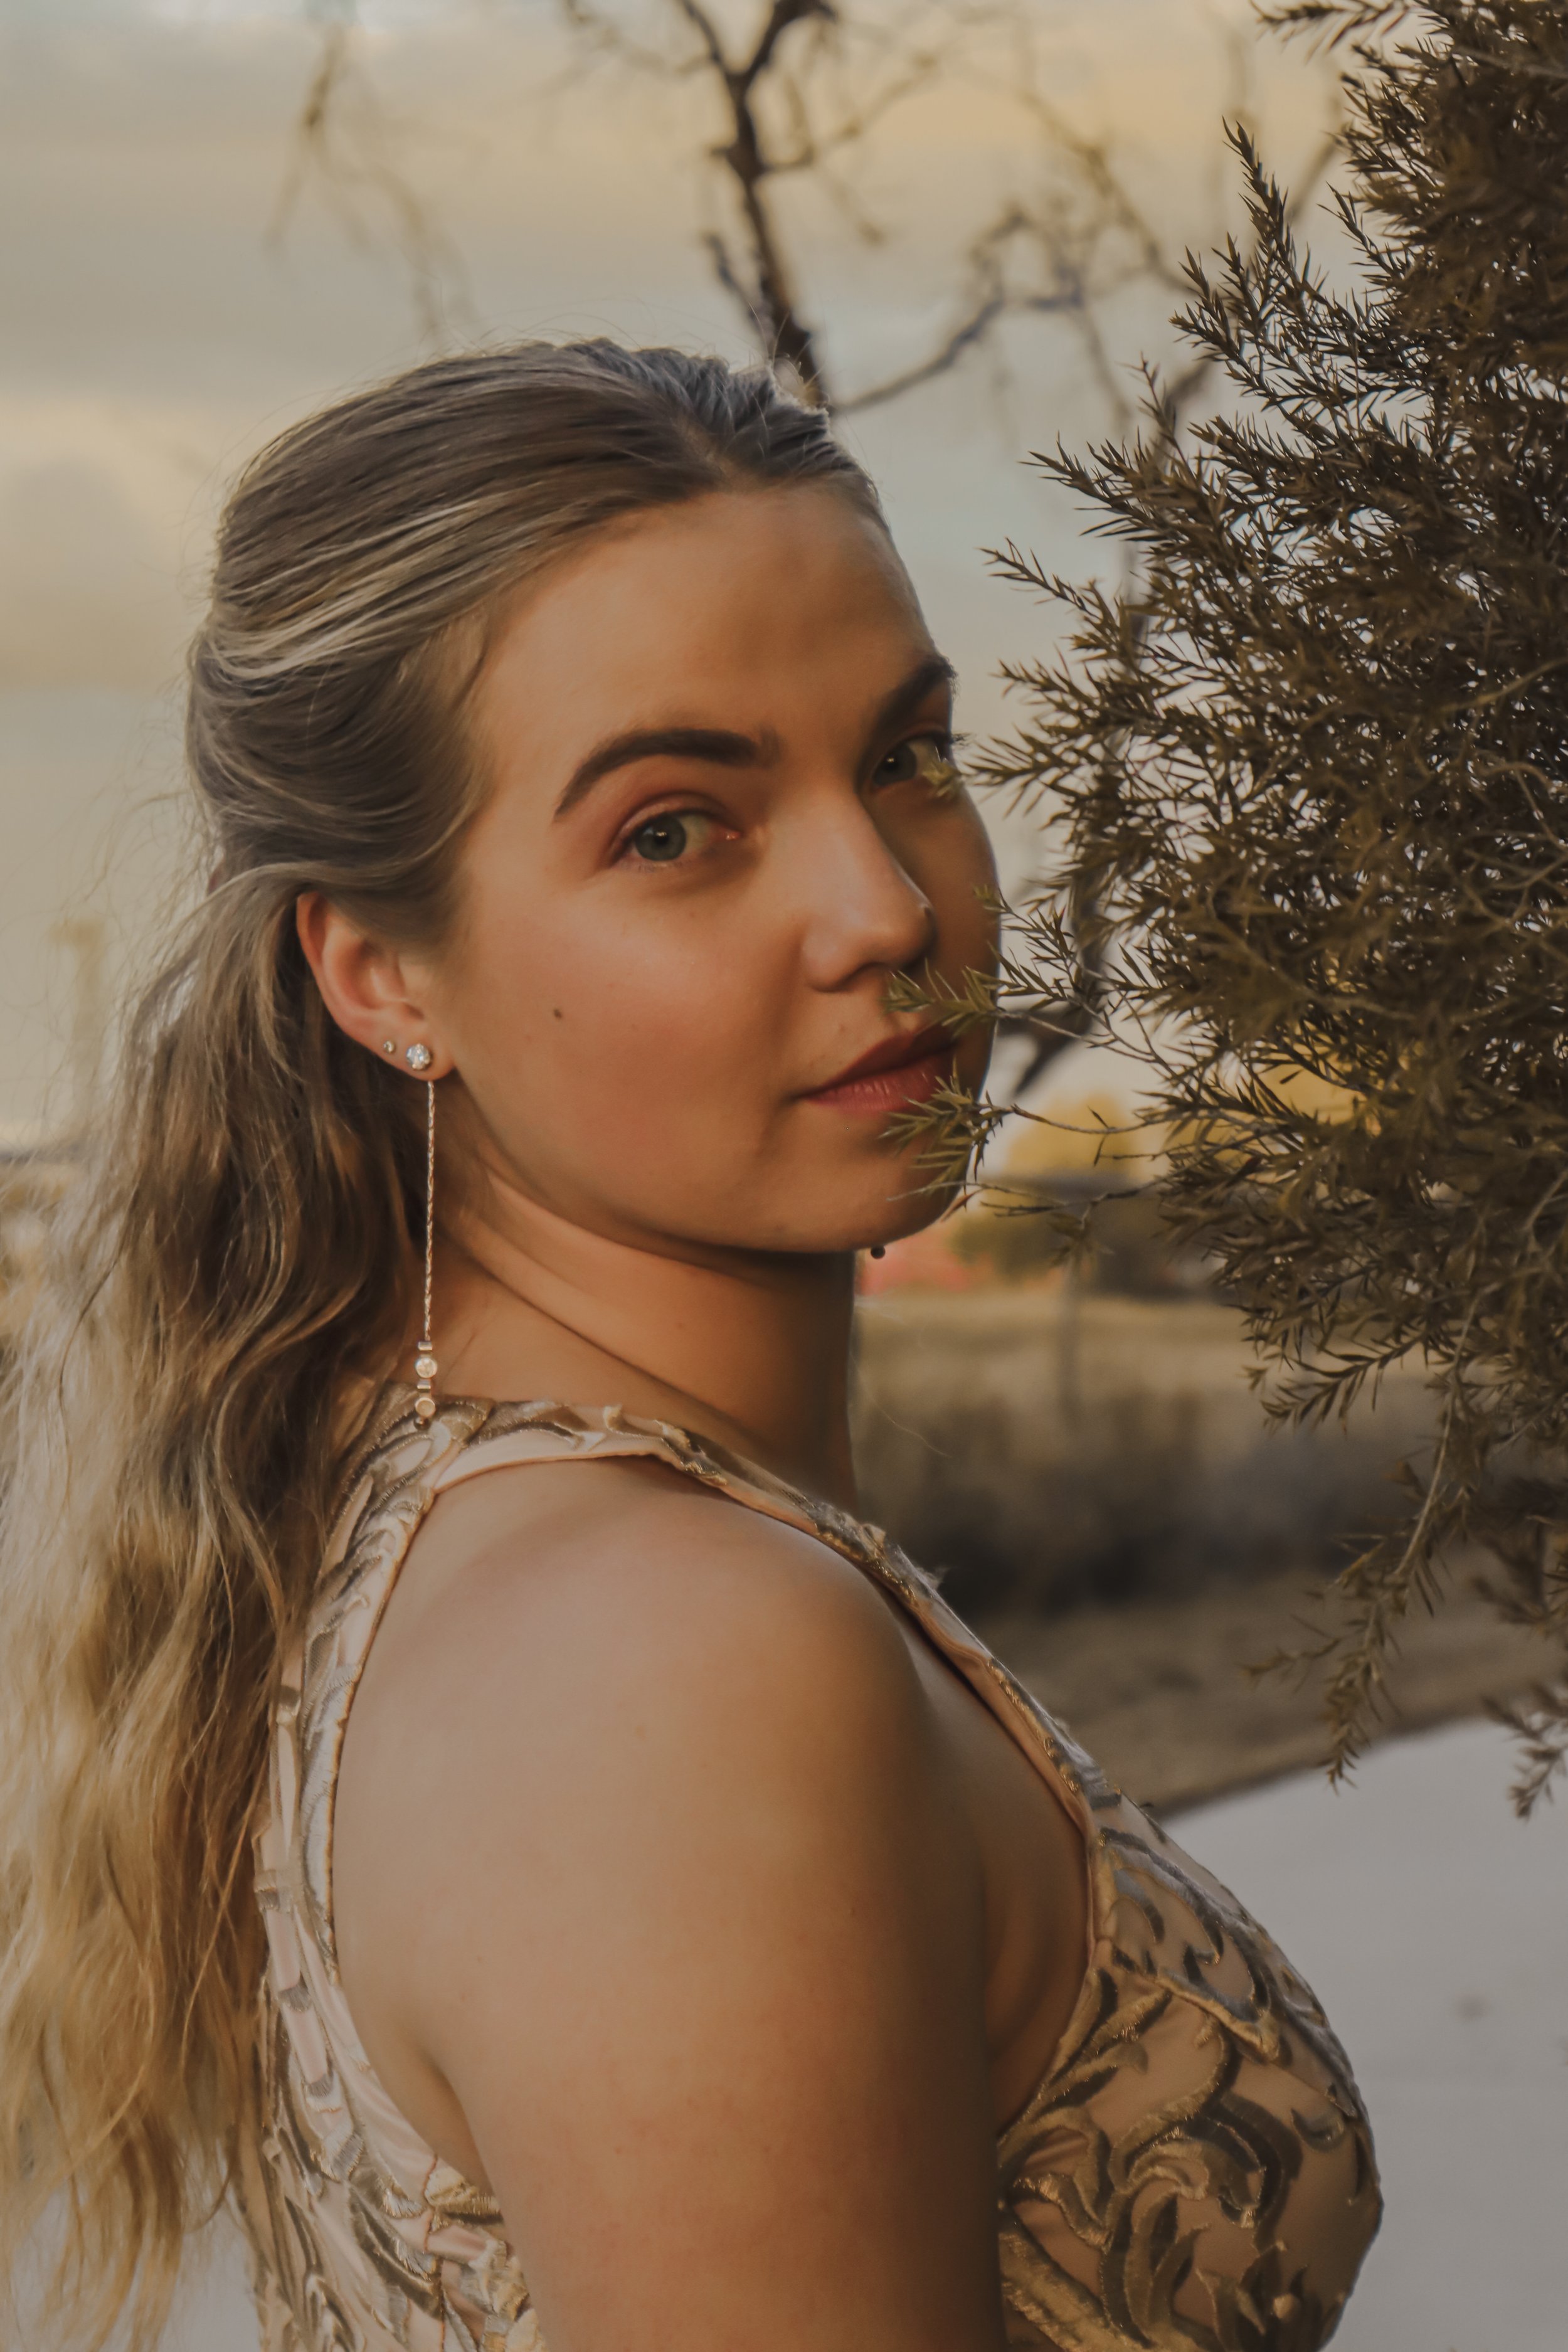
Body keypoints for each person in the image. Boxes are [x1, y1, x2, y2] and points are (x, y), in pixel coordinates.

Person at [0, 343, 1380, 2352]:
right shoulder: (670, 1659)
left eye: (906, 755)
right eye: (674, 829)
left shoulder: (467, 1521)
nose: (882, 901)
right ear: (382, 970)